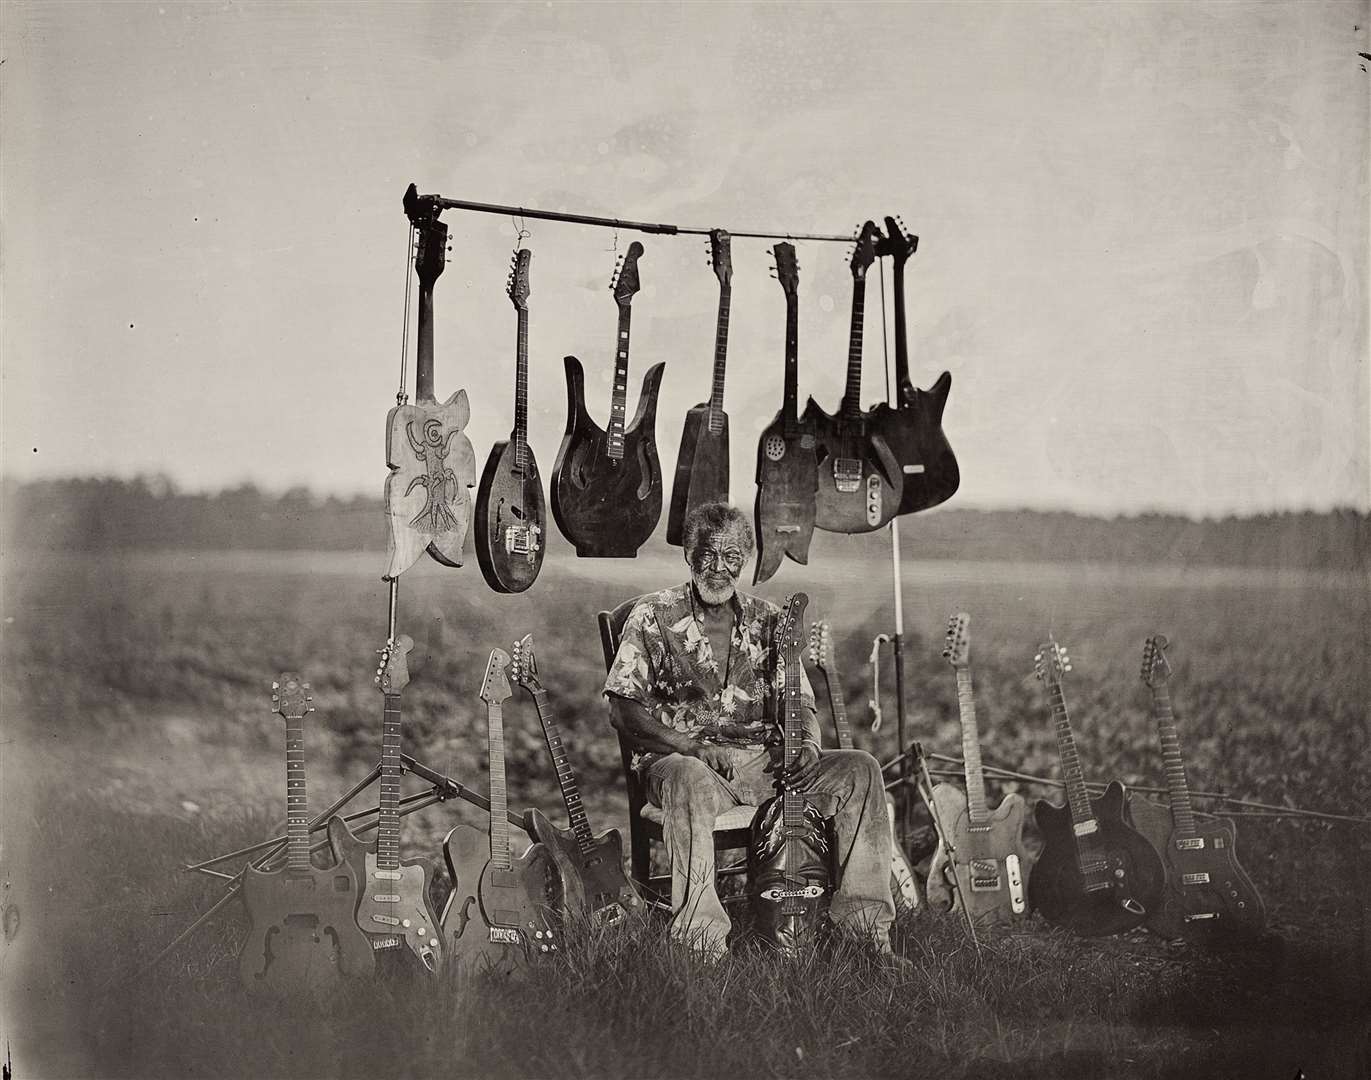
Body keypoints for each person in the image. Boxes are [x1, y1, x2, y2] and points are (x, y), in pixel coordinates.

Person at [603, 502, 903, 964]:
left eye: (731, 556)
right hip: (685, 763)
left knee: (861, 770)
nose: (719, 568)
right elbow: (622, 709)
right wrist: (691, 746)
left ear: (745, 559)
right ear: (688, 553)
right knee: (686, 776)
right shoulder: (652, 616)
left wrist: (805, 744)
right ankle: (700, 945)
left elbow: (800, 703)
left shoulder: (770, 622)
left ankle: (864, 935)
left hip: (765, 766)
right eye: (708, 554)